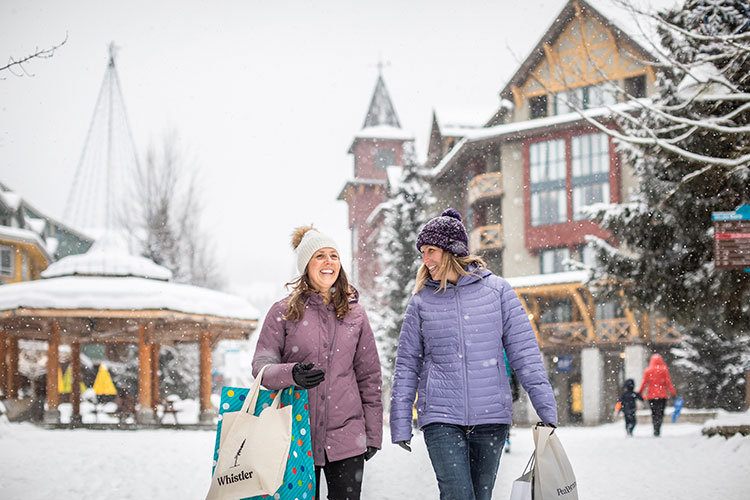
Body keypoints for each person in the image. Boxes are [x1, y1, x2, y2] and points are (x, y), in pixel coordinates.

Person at [390, 209, 558, 500]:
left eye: (431, 251)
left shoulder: (498, 291)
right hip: (440, 417)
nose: (425, 260)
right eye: (422, 253)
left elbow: (525, 353)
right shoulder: (420, 302)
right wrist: (401, 419)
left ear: (453, 251)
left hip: (490, 418)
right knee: (458, 496)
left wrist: (546, 408)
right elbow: (407, 365)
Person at [251, 226, 383, 500]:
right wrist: (291, 374)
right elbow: (261, 366)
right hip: (295, 436)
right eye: (319, 256)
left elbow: (369, 378)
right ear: (306, 266)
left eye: (333, 256)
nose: (328, 262)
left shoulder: (356, 315)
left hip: (347, 436)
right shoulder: (283, 312)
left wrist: (372, 435)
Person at [638, 353, 676, 437]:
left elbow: (644, 383)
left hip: (651, 396)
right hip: (662, 395)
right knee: (660, 412)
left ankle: (655, 427)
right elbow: (668, 382)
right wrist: (673, 392)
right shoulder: (664, 369)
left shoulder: (648, 370)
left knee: (654, 412)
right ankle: (658, 427)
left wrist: (639, 392)